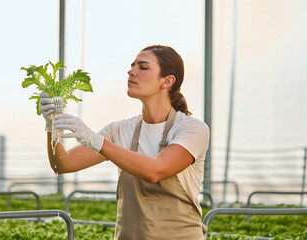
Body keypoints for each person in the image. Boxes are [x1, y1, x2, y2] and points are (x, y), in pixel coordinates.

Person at [40, 45, 210, 239]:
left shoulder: (191, 129)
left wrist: (96, 141)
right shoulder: (120, 130)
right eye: (132, 66)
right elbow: (62, 164)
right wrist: (52, 125)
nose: (131, 71)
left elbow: (155, 171)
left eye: (143, 67)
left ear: (167, 81)